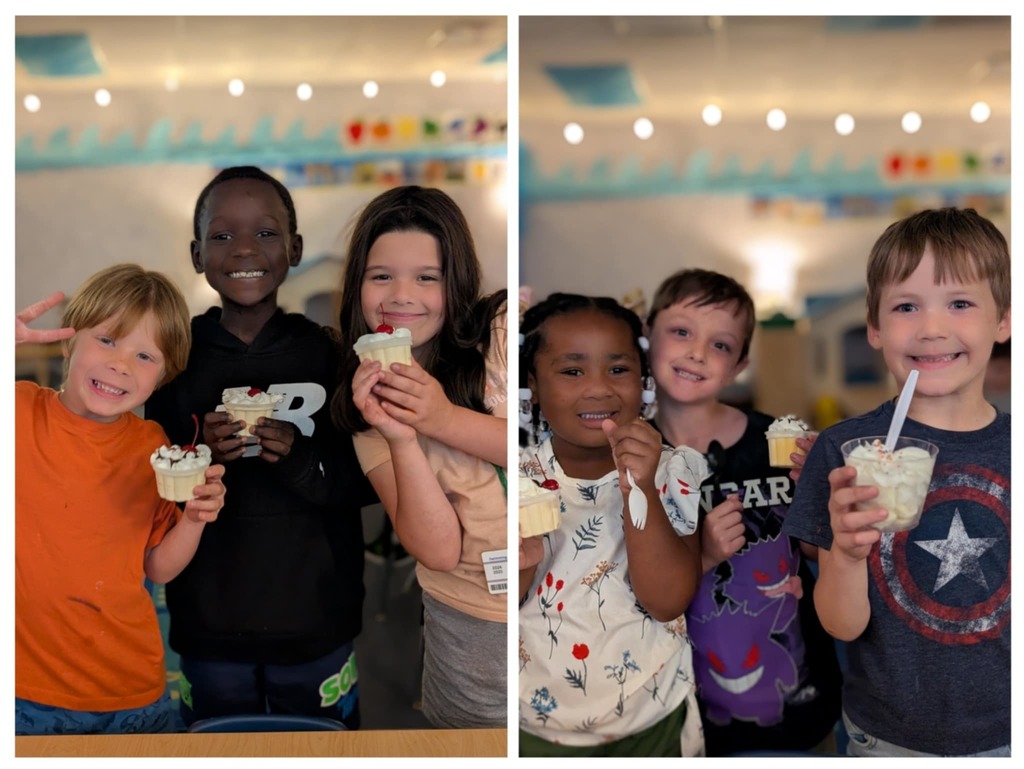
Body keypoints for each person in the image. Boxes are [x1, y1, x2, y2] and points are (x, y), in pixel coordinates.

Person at [145, 166, 370, 729]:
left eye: (266, 233)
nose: (244, 248)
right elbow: (152, 478)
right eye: (221, 236)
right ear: (197, 254)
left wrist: (299, 459)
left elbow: (366, 482)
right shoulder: (174, 359)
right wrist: (199, 457)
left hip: (316, 617)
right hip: (209, 620)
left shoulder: (332, 356)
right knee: (213, 747)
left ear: (294, 248)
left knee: (324, 748)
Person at [782, 207, 1011, 757]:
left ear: (1004, 319)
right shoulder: (844, 452)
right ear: (876, 330)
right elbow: (841, 624)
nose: (931, 328)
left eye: (960, 303)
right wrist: (846, 552)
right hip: (888, 738)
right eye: (906, 306)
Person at [15, 266, 226, 735]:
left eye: (145, 355)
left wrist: (193, 520)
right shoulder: (18, 411)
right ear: (68, 340)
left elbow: (158, 568)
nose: (121, 365)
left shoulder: (154, 448)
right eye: (107, 340)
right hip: (25, 693)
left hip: (133, 689)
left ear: (164, 375)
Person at [330, 185, 508, 729]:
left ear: (455, 284)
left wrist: (440, 418)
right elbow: (436, 549)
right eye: (381, 276)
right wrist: (403, 437)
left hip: (564, 600)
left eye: (427, 277)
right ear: (357, 286)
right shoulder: (366, 410)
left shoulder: (500, 334)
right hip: (465, 625)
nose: (401, 296)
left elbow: (549, 449)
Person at [643, 269, 841, 756]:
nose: (697, 352)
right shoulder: (634, 457)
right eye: (682, 332)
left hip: (801, 703)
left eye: (721, 345)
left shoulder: (776, 441)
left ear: (740, 365)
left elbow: (819, 548)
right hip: (685, 713)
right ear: (647, 335)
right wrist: (703, 554)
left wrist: (822, 500)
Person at [517, 293, 706, 757]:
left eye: (618, 369)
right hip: (536, 723)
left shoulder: (675, 468)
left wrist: (638, 485)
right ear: (533, 385)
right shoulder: (516, 478)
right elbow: (500, 607)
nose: (599, 388)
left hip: (653, 712)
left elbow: (666, 602)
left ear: (642, 381)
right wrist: (521, 560)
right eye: (572, 370)